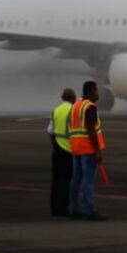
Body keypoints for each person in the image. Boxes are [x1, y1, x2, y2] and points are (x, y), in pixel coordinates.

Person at [67, 80, 107, 220]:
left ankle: (74, 208)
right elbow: (91, 130)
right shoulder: (89, 107)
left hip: (76, 148)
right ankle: (89, 210)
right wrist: (98, 151)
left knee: (75, 179)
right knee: (87, 180)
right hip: (87, 148)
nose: (97, 93)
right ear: (90, 92)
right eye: (96, 90)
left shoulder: (76, 105)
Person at [47, 87, 75, 217]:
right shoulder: (73, 111)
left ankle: (54, 208)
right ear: (72, 98)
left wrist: (55, 144)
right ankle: (63, 208)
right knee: (66, 180)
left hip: (57, 150)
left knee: (56, 179)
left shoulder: (56, 110)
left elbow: (50, 131)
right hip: (68, 150)